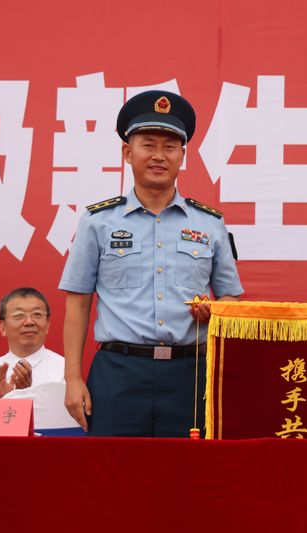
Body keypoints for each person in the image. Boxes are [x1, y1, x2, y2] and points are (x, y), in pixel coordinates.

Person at [60, 90, 243, 437]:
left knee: (189, 470)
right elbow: (78, 302)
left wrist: (216, 311)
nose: (159, 156)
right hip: (118, 372)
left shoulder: (209, 223)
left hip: (191, 373)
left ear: (182, 156)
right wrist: (72, 378)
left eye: (170, 147)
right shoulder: (98, 222)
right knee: (115, 469)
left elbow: (231, 298)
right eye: (148, 145)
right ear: (128, 153)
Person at [0, 288, 64, 399]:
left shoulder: (66, 371)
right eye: (19, 315)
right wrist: (2, 402)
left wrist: (26, 397)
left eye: (37, 314)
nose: (29, 322)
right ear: (3, 327)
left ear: (48, 324)